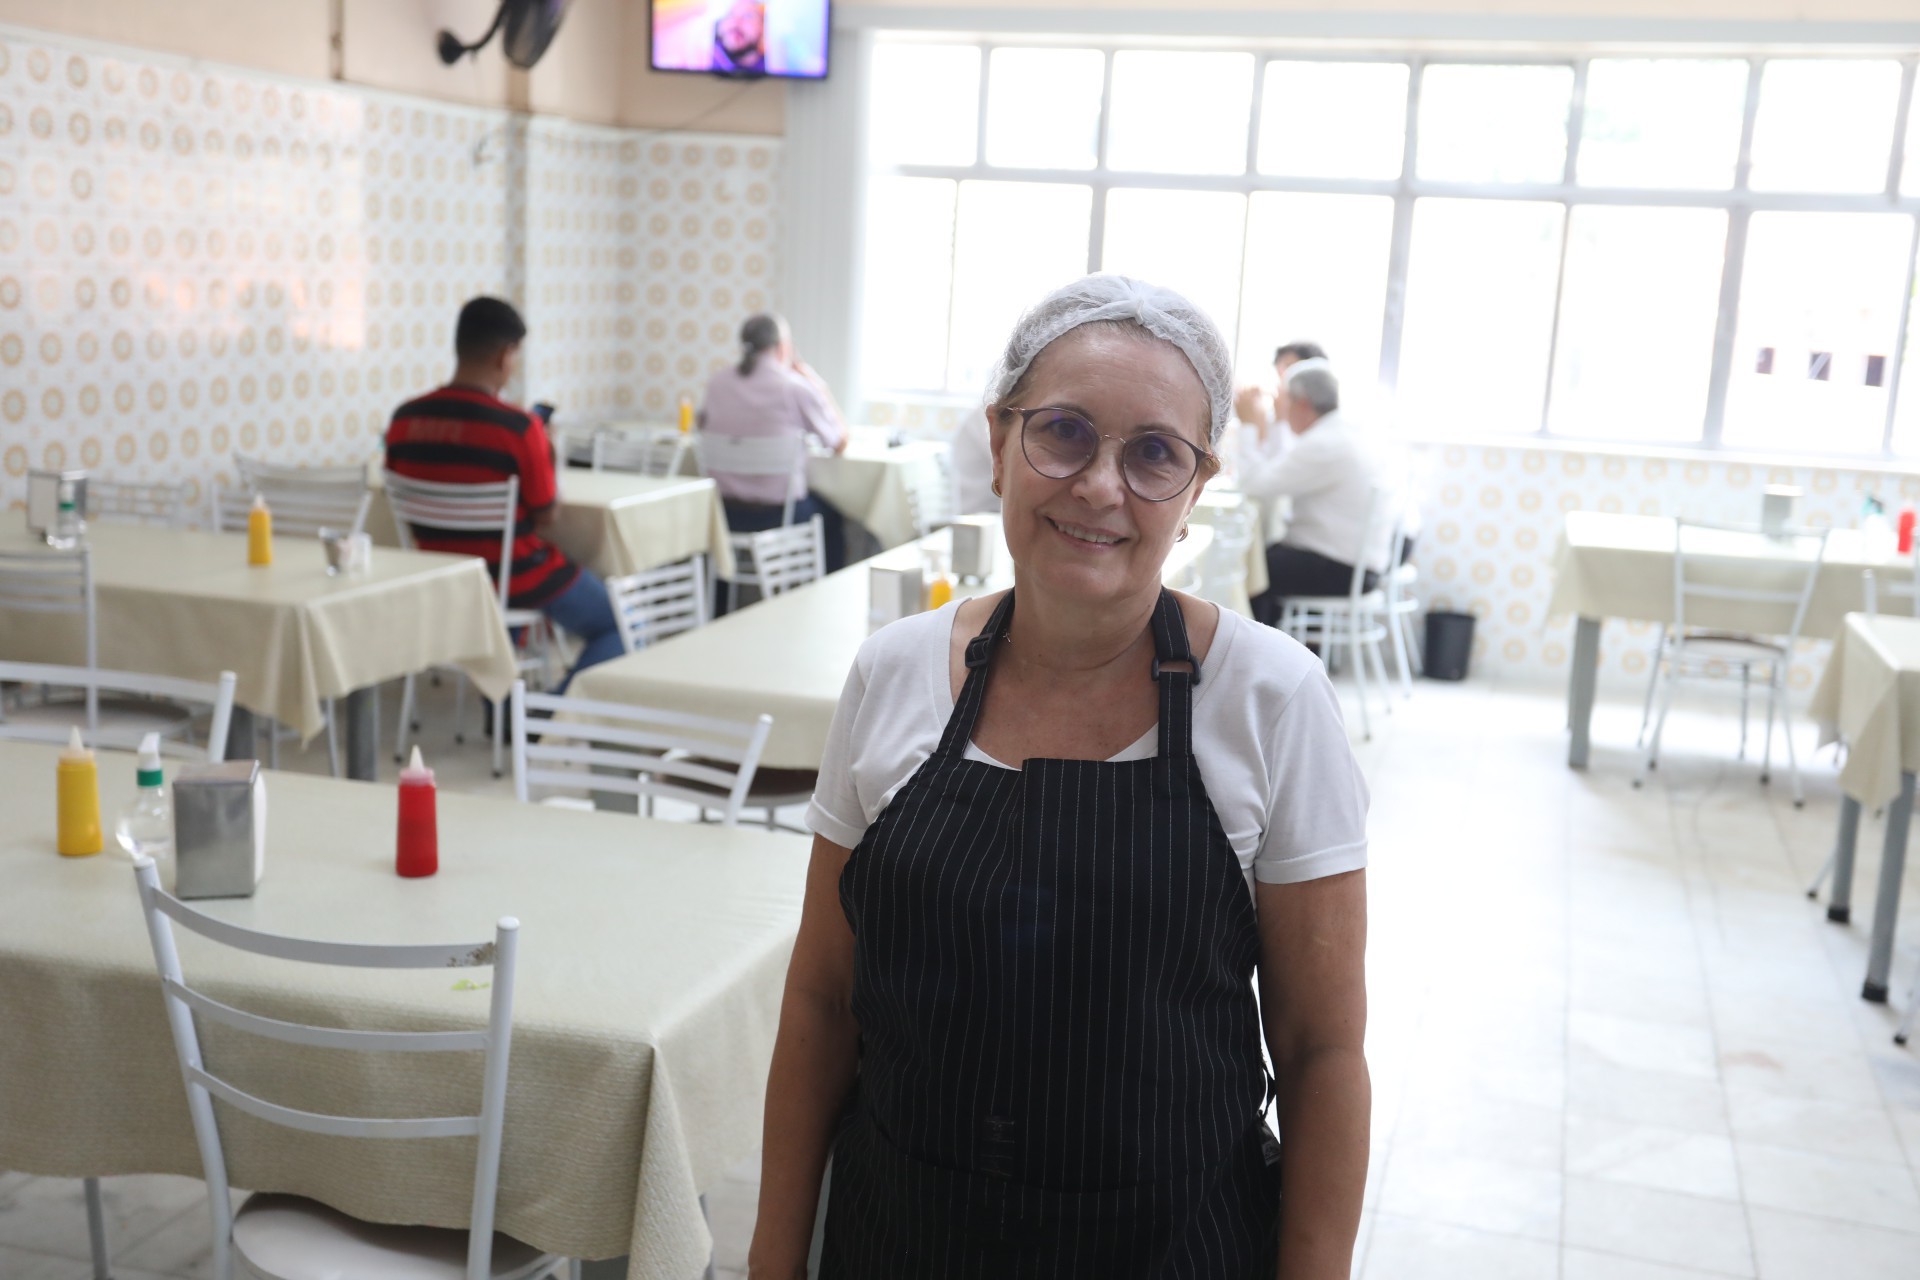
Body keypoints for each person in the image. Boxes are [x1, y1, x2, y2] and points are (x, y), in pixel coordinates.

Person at [750, 275, 1371, 1279]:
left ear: (1198, 484)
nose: (1100, 486)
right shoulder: (893, 671)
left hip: (1176, 1247)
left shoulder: (1271, 699)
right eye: (1066, 432)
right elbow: (823, 999)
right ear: (1000, 442)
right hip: (899, 1239)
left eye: (1155, 452)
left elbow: (1320, 1053)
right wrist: (772, 1260)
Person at [385, 296, 622, 691]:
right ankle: (546, 715)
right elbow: (546, 513)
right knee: (621, 624)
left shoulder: (404, 418)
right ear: (504, 355)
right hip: (513, 578)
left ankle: (506, 707)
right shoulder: (518, 428)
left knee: (512, 584)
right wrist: (546, 451)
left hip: (442, 576)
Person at [699, 313, 850, 596]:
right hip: (778, 515)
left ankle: (717, 605)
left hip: (725, 514)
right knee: (833, 518)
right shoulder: (793, 386)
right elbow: (838, 442)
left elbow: (702, 426)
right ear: (783, 347)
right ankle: (824, 598)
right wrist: (820, 387)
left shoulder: (717, 383)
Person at [1243, 359, 1397, 627]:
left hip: (1339, 568)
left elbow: (1252, 484)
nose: (1279, 408)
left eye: (1282, 400)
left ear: (1301, 403)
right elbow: (1277, 471)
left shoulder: (1324, 444)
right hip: (1356, 563)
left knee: (1248, 567)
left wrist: (1249, 425)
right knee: (1262, 560)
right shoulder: (1341, 433)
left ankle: (1251, 655)